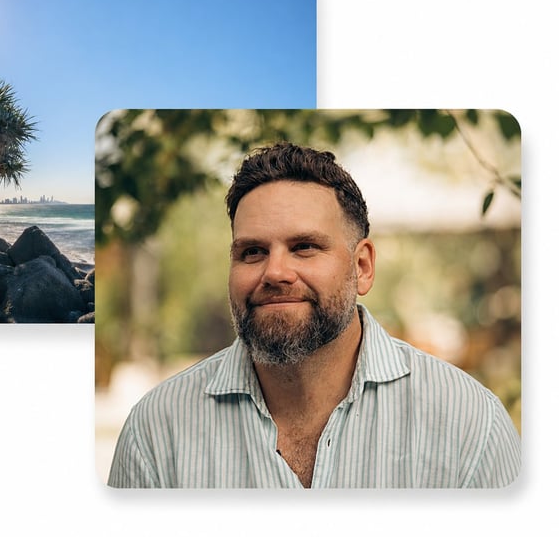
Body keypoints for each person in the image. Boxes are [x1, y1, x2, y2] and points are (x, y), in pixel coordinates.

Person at [107, 142, 521, 488]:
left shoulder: (469, 425)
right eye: (252, 252)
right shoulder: (158, 431)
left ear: (362, 267)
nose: (275, 272)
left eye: (304, 246)